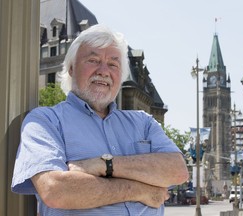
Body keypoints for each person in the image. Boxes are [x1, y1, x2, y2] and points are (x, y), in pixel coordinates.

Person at [11, 24, 188, 215]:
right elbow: (55, 190)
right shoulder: (45, 121)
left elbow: (177, 171)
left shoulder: (143, 122)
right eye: (93, 60)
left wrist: (104, 165)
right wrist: (141, 190)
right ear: (71, 69)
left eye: (113, 64)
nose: (104, 71)